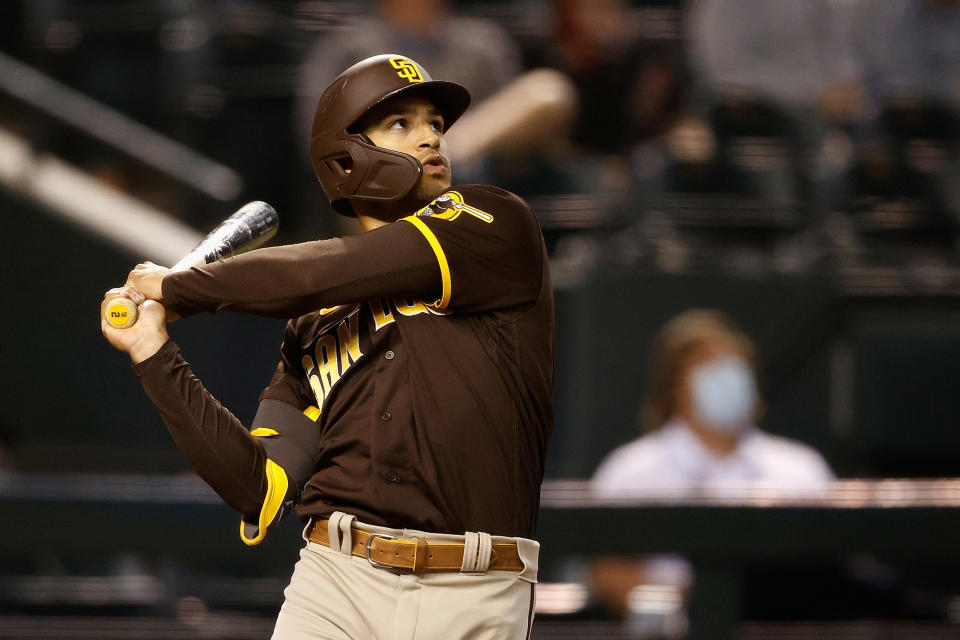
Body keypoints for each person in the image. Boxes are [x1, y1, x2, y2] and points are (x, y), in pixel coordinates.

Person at [100, 54, 554, 639]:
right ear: (345, 155)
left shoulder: (494, 222)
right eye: (401, 124)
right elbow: (258, 487)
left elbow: (316, 272)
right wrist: (153, 354)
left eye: (435, 124)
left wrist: (177, 287)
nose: (430, 137)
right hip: (335, 582)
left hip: (471, 585)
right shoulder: (313, 327)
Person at [589, 309, 833, 628]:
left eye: (735, 363)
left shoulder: (802, 468)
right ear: (675, 385)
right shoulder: (630, 471)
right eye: (707, 364)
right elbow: (606, 571)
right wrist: (691, 607)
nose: (726, 374)